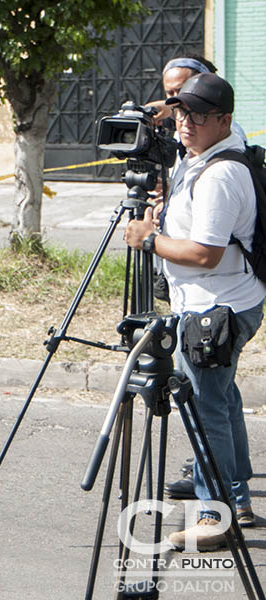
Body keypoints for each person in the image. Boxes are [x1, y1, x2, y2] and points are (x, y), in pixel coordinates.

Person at [125, 73, 265, 550]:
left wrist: (150, 240)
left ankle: (214, 515)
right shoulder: (204, 151)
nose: (185, 124)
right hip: (218, 301)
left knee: (205, 411)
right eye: (180, 113)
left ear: (223, 121)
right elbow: (179, 123)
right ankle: (236, 500)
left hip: (216, 309)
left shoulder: (222, 173)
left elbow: (205, 253)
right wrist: (163, 111)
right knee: (219, 402)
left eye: (198, 116)